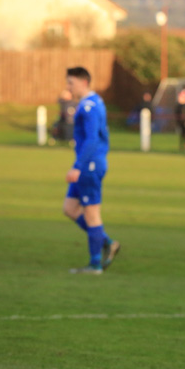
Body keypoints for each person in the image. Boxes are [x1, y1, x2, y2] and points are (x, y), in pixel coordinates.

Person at [61, 67, 120, 274]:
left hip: (90, 165)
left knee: (92, 214)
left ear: (84, 82)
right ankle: (106, 242)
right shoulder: (94, 101)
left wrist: (78, 167)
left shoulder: (89, 107)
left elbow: (92, 139)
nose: (68, 87)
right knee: (69, 208)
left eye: (71, 83)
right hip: (87, 163)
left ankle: (95, 265)